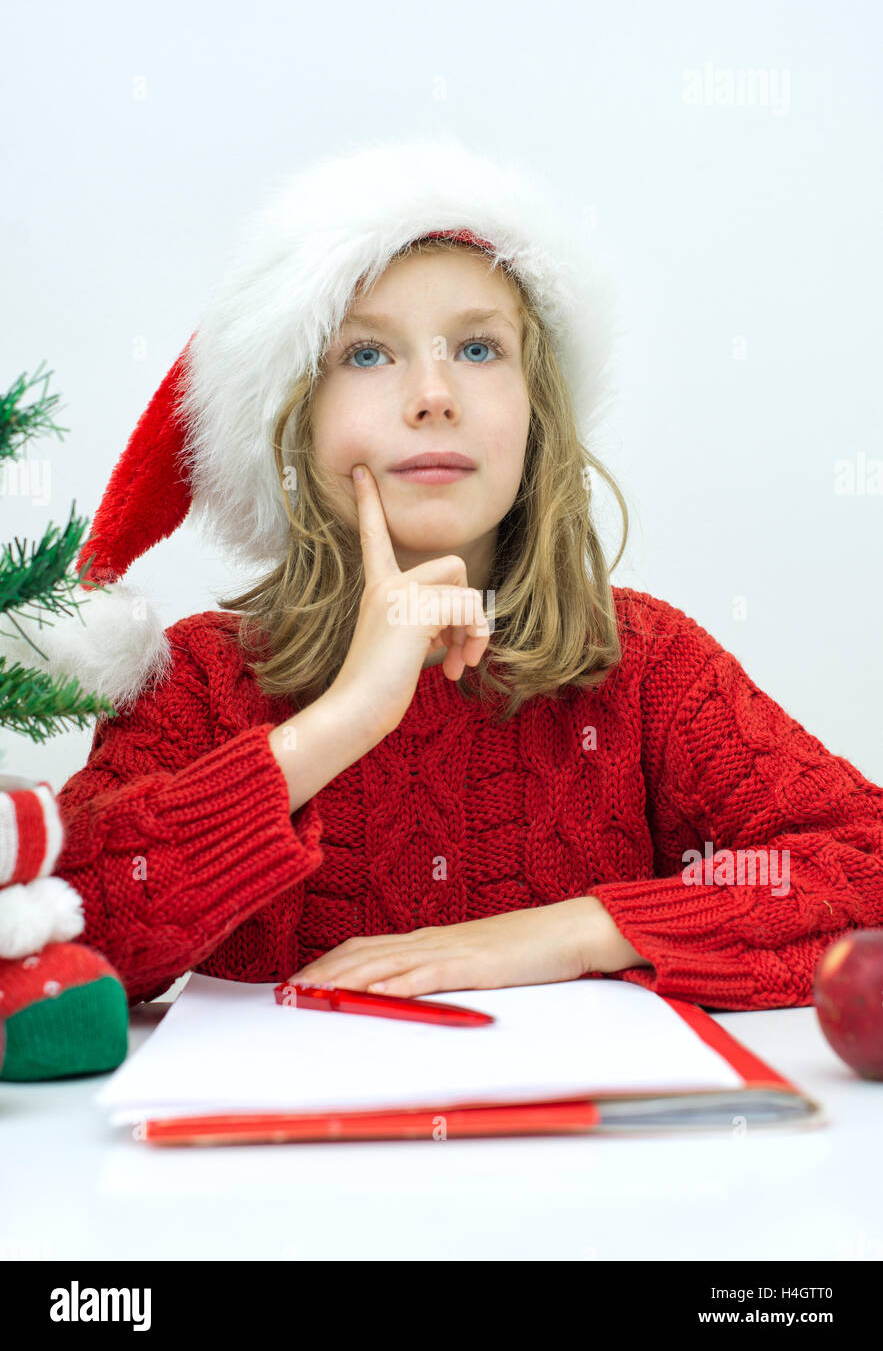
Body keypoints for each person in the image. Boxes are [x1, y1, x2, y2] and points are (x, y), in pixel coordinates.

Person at [29, 136, 883, 1011]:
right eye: (366, 354)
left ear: (535, 412)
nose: (433, 394)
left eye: (477, 351)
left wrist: (568, 933)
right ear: (296, 425)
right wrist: (341, 720)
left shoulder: (643, 665)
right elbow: (66, 933)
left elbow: (862, 860)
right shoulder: (200, 683)